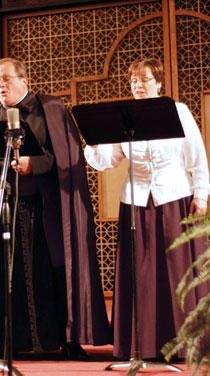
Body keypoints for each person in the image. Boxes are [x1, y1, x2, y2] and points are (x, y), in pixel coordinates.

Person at [0, 57, 109, 359]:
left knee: (53, 269)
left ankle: (67, 339)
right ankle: (2, 342)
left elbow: (67, 158)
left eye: (7, 79)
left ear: (24, 80)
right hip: (3, 208)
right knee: (4, 273)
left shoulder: (51, 110)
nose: (1, 85)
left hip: (45, 208)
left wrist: (34, 164)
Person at [84, 58, 210, 360]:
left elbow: (196, 155)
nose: (138, 86)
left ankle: (186, 344)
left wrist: (202, 195)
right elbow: (110, 159)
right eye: (133, 82)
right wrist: (92, 143)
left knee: (177, 272)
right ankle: (143, 345)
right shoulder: (124, 115)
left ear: (159, 82)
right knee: (141, 274)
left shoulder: (178, 110)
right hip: (136, 202)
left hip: (175, 198)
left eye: (144, 80)